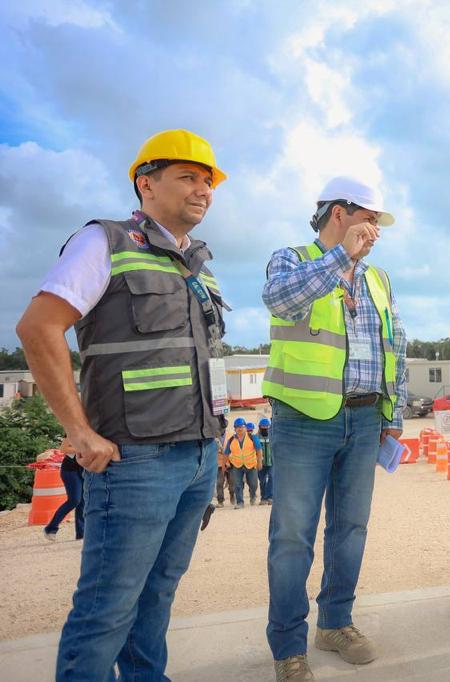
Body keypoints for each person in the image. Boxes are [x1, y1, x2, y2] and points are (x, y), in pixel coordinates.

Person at [16, 129, 228, 680]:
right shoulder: (104, 241)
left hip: (198, 458)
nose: (202, 189)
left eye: (208, 181)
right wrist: (80, 433)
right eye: (187, 176)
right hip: (135, 462)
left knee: (156, 600)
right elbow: (39, 329)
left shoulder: (197, 267)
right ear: (145, 183)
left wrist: (218, 440)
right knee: (106, 611)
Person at [262, 175, 408, 680]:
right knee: (292, 537)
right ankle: (287, 645)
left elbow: (396, 347)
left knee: (350, 530)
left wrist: (393, 414)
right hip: (303, 420)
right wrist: (340, 257)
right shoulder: (292, 258)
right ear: (340, 213)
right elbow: (280, 301)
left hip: (365, 418)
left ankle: (336, 623)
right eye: (370, 219)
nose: (376, 231)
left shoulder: (378, 279)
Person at [43, 439, 84, 541]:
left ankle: (81, 534)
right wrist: (83, 449)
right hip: (70, 470)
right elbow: (63, 449)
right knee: (74, 500)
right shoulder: (74, 431)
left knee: (83, 502)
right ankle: (50, 528)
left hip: (83, 470)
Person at [225, 416, 263, 508]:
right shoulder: (231, 440)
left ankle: (252, 495)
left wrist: (259, 462)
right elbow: (226, 453)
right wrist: (226, 464)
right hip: (237, 465)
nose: (240, 429)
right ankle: (240, 502)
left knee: (253, 484)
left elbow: (259, 450)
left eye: (241, 426)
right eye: (237, 427)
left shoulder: (252, 438)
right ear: (235, 429)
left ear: (245, 427)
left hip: (251, 464)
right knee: (237, 484)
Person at [257, 417, 274, 504]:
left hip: (271, 462)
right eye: (263, 426)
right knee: (262, 480)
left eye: (266, 426)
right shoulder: (256, 437)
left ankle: (270, 497)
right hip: (260, 463)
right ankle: (263, 498)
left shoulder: (273, 436)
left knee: (272, 477)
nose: (265, 428)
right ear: (259, 427)